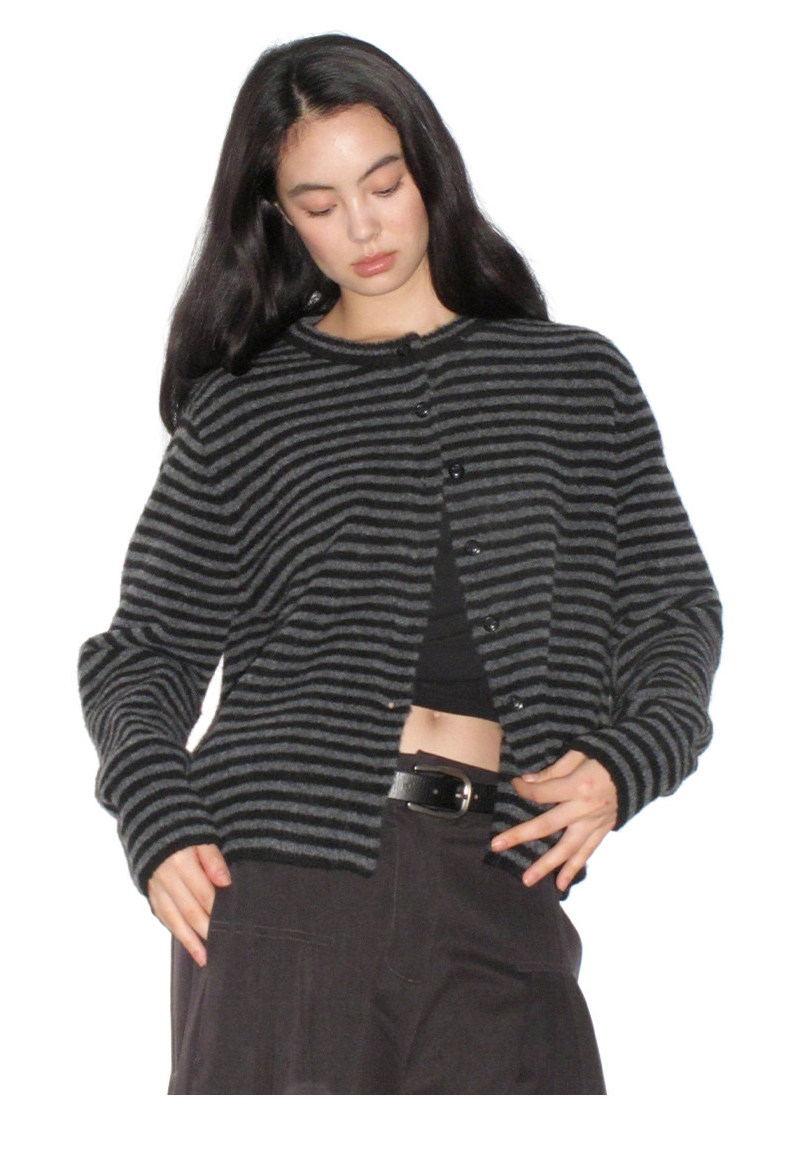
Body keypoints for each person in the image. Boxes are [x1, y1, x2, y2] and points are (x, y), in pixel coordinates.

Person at [77, 33, 722, 1095]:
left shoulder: (576, 380)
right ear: (279, 216)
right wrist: (156, 809)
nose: (363, 226)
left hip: (503, 881)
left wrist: (626, 760)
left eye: (383, 185)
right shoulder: (243, 410)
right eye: (320, 203)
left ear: (428, 171)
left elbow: (671, 613)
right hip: (281, 882)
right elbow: (145, 651)